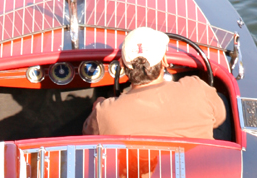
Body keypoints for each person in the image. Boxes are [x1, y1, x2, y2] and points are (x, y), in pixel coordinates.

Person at [82, 27, 226, 140]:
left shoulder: (104, 113)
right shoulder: (196, 88)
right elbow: (220, 117)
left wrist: (98, 106)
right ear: (164, 60)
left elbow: (87, 136)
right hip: (196, 171)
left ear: (122, 65)